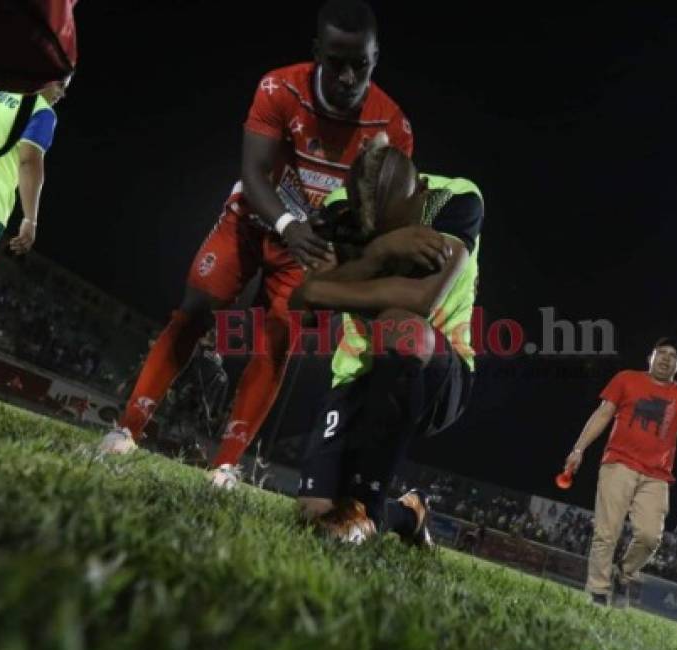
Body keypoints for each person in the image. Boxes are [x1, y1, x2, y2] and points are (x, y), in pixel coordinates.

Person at [98, 0, 414, 491]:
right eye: (337, 62)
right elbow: (254, 172)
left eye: (362, 64)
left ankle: (225, 465)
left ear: (377, 58)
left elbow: (381, 214)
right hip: (254, 221)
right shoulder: (278, 86)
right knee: (195, 310)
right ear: (316, 53)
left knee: (277, 341)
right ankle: (127, 431)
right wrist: (289, 223)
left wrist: (345, 257)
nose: (349, 77)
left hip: (309, 249)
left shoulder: (392, 127)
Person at [291, 134, 481, 545]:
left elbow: (422, 300)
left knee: (401, 326)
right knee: (313, 515)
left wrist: (331, 281)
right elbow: (304, 309)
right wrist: (379, 253)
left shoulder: (455, 200)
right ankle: (408, 513)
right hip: (356, 373)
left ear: (421, 196)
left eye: (397, 226)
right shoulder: (341, 208)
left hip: (437, 372)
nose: (385, 234)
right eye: (372, 230)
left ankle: (367, 508)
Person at [561, 338, 677, 606]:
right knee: (607, 532)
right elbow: (603, 414)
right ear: (650, 357)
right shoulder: (626, 379)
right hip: (618, 464)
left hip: (657, 475)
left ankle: (624, 573)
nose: (665, 359)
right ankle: (598, 591)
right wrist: (579, 449)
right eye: (661, 353)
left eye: (673, 356)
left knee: (650, 537)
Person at [0, 77, 69, 318]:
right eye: (61, 84)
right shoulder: (40, 111)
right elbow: (29, 161)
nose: (62, 93)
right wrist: (30, 219)